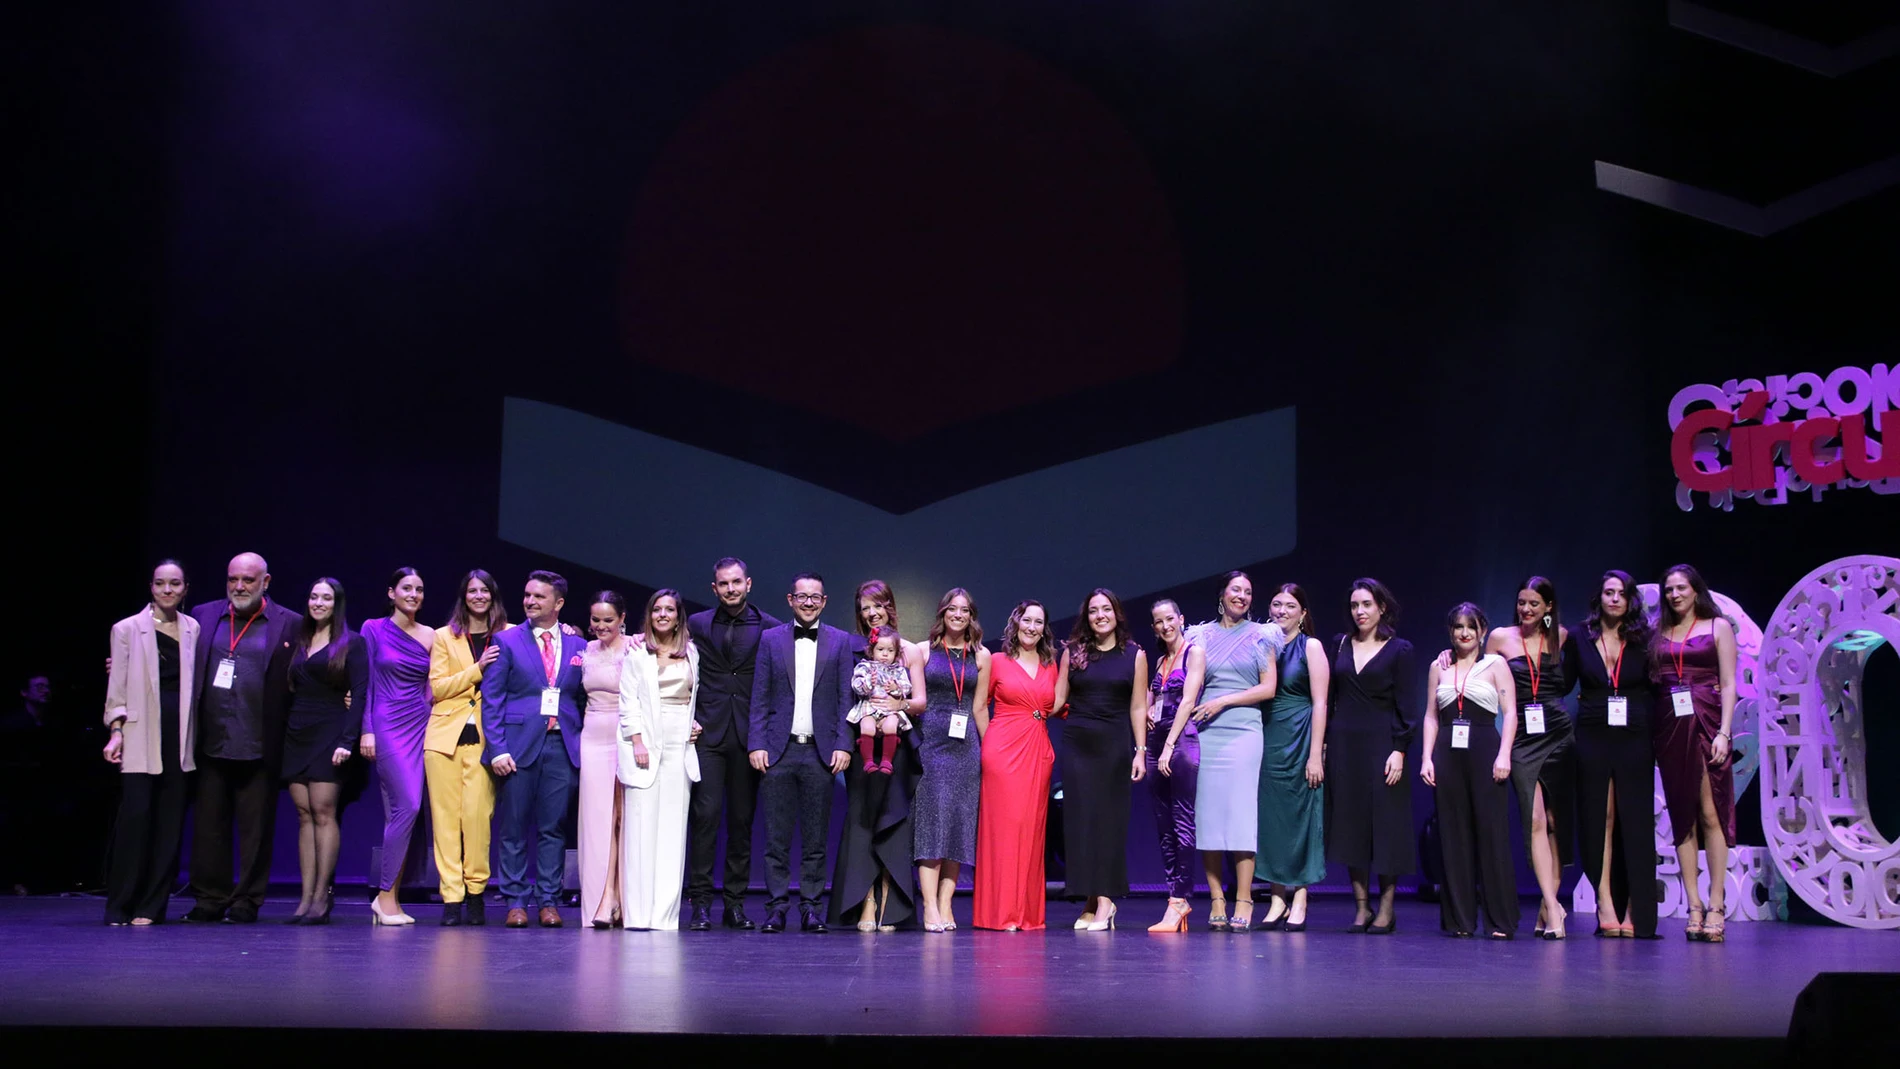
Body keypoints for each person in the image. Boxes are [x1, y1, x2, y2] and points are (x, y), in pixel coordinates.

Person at [183, 552, 302, 923]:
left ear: (265, 582)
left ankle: (247, 900)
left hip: (259, 742)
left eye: (248, 580)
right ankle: (209, 898)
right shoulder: (204, 616)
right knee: (208, 828)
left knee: (256, 832)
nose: (239, 586)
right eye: (233, 579)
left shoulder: (290, 623)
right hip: (212, 740)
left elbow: (309, 672)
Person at [748, 572, 855, 933]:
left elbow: (845, 699)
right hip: (777, 751)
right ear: (790, 600)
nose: (808, 602)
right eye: (802, 596)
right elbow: (759, 695)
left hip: (821, 753)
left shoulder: (839, 642)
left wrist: (843, 743)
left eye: (815, 597)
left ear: (824, 602)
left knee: (815, 837)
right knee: (776, 838)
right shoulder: (770, 640)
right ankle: (777, 907)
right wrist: (756, 743)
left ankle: (811, 907)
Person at [481, 570, 586, 929]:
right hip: (517, 747)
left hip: (561, 745)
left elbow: (585, 697)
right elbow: (492, 698)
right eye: (527, 595)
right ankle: (514, 900)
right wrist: (496, 748)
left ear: (558, 603)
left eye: (539, 597)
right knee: (512, 827)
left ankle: (548, 900)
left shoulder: (578, 646)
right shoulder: (506, 641)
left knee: (553, 827)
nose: (529, 601)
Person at [684, 557, 782, 931]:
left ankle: (735, 904)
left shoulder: (770, 628)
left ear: (748, 583)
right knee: (705, 818)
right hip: (707, 733)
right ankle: (701, 904)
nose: (730, 589)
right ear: (714, 588)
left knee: (741, 822)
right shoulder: (697, 624)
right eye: (723, 584)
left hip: (749, 737)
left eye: (736, 582)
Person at [101, 560, 200, 925]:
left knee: (169, 824)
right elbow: (118, 686)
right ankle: (120, 904)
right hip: (141, 733)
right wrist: (115, 731)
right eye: (161, 584)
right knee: (136, 820)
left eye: (175, 584)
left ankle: (151, 906)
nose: (168, 590)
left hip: (180, 736)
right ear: (151, 587)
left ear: (186, 588)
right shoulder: (127, 629)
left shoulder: (193, 629)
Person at [1182, 571, 1280, 932]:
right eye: (1236, 590)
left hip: (1243, 731)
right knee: (1208, 815)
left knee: (1240, 814)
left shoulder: (1263, 636)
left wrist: (1224, 700)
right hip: (1206, 731)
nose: (1242, 596)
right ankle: (1216, 898)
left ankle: (1244, 897)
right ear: (1221, 594)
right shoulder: (1199, 636)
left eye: (1248, 592)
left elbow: (1268, 687)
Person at [1564, 570, 1659, 939]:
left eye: (1621, 593)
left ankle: (1636, 904)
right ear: (1599, 597)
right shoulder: (1578, 636)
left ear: (1630, 599)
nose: (1615, 599)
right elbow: (1563, 682)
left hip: (1635, 732)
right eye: (1608, 592)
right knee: (1598, 815)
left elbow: (1656, 686)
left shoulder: (1644, 638)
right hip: (1592, 731)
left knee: (1634, 818)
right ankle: (1604, 899)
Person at [830, 580, 927, 932]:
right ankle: (864, 901)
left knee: (892, 819)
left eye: (877, 605)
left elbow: (920, 701)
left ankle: (891, 899)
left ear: (889, 605)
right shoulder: (852, 650)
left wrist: (898, 703)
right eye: (864, 607)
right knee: (863, 821)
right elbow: (845, 700)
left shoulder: (910, 651)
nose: (871, 612)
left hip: (897, 744)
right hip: (862, 746)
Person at [1325, 577, 1419, 935]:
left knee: (1387, 826)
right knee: (1351, 825)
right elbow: (1332, 698)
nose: (1360, 611)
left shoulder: (1400, 650)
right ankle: (1362, 906)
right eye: (1354, 605)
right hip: (1345, 746)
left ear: (1381, 607)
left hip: (1383, 745)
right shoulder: (1339, 645)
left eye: (1366, 604)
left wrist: (1400, 749)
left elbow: (1407, 707)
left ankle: (1387, 907)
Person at [1651, 563, 1738, 944]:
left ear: (1695, 589)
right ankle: (1694, 905)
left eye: (1681, 587)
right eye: (1668, 589)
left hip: (1708, 720)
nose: (1674, 594)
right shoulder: (1658, 632)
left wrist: (1725, 732)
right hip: (1671, 724)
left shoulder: (1718, 626)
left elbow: (1730, 682)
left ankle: (1717, 903)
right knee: (1681, 814)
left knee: (1710, 811)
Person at [1420, 602, 1518, 938]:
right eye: (1458, 627)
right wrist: (1426, 758)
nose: (1464, 633)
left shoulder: (1495, 664)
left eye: (1471, 627)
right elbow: (1431, 716)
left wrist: (1504, 755)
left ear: (1482, 632)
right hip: (1448, 751)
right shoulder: (1439, 666)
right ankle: (1459, 920)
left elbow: (1511, 713)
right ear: (1451, 632)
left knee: (1491, 834)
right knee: (1453, 834)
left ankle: (1500, 920)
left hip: (1485, 750)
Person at [1060, 589, 1148, 931]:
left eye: (1106, 609)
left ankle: (1106, 901)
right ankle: (1089, 897)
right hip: (1078, 745)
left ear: (1117, 614)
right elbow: (1055, 699)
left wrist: (1140, 751)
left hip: (1114, 745)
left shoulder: (1134, 654)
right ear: (1087, 616)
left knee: (1109, 824)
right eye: (1094, 610)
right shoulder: (1073, 653)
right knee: (1082, 823)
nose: (1100, 615)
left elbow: (1138, 706)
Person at [425, 570, 508, 926]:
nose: (478, 596)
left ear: (493, 595)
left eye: (484, 590)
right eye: (472, 591)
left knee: (477, 820)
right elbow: (438, 688)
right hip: (444, 737)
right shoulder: (444, 636)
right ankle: (451, 899)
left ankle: (476, 892)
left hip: (486, 739)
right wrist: (476, 669)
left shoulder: (509, 634)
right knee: (445, 821)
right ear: (463, 596)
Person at [281, 577, 366, 924]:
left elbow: (359, 694)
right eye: (313, 596)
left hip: (331, 732)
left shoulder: (352, 643)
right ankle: (304, 897)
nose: (318, 603)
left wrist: (347, 741)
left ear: (337, 604)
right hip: (297, 732)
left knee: (324, 811)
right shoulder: (300, 640)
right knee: (304, 815)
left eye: (326, 598)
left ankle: (321, 896)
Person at [617, 589, 703, 930]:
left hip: (679, 743)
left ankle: (665, 916)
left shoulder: (691, 653)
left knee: (672, 830)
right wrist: (637, 740)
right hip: (644, 742)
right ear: (649, 616)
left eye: (670, 610)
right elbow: (629, 702)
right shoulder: (637, 653)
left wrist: (692, 722)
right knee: (641, 827)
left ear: (678, 615)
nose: (663, 615)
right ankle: (638, 915)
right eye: (657, 610)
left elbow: (691, 698)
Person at [1496, 576, 1575, 940]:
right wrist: (1447, 657)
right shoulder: (1500, 637)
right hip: (1523, 737)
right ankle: (1552, 905)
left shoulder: (1562, 636)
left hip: (1558, 733)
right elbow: (1478, 672)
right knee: (1535, 820)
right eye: (1521, 602)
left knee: (1557, 822)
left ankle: (1548, 907)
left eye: (1533, 604)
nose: (1526, 609)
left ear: (1548, 607)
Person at [360, 568, 435, 926]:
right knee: (408, 804)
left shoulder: (431, 634)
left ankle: (390, 899)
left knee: (402, 815)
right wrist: (367, 730)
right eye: (407, 588)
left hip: (421, 723)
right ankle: (385, 897)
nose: (414, 594)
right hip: (387, 723)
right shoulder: (373, 628)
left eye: (419, 589)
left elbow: (432, 684)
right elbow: (368, 683)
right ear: (392, 592)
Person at [971, 598, 1050, 932]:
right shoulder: (997, 660)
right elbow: (979, 707)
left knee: (1031, 831)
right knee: (1003, 832)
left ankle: (1026, 914)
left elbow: (1062, 705)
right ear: (1015, 623)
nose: (1032, 627)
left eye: (1039, 622)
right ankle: (1000, 913)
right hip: (1002, 752)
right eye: (1027, 620)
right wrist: (992, 746)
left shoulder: (1052, 664)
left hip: (1037, 752)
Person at [917, 589, 992, 932]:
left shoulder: (982, 656)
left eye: (965, 610)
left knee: (959, 828)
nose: (958, 614)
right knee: (932, 825)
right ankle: (929, 906)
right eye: (952, 608)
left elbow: (979, 707)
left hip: (966, 750)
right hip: (931, 745)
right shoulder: (922, 650)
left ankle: (947, 902)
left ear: (971, 616)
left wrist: (990, 748)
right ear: (943, 612)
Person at [1256, 584, 1329, 931]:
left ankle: (1300, 896)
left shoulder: (1310, 646)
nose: (1282, 610)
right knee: (1271, 820)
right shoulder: (1262, 644)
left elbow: (1321, 702)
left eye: (1290, 605)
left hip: (1300, 735)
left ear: (1303, 613)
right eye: (1276, 604)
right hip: (1268, 735)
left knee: (1302, 815)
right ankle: (1276, 897)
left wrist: (1316, 754)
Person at [578, 591, 636, 928]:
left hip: (626, 734)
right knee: (599, 820)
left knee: (623, 819)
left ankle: (623, 899)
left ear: (622, 619)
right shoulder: (584, 650)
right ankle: (602, 898)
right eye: (596, 620)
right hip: (593, 737)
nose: (601, 626)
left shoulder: (636, 647)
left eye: (608, 620)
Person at [1146, 599, 1204, 933]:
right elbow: (1156, 700)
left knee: (1182, 822)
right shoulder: (1160, 660)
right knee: (1163, 824)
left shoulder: (1192, 653)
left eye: (1170, 619)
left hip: (1181, 743)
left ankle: (1182, 898)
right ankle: (1173, 898)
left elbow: (1188, 701)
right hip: (1158, 743)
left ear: (1181, 619)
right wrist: (1150, 713)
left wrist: (1169, 746)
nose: (1165, 625)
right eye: (1158, 621)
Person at [848, 628, 912, 774]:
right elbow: (856, 686)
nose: (885, 654)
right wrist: (869, 682)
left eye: (890, 650)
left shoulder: (898, 671)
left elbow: (907, 688)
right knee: (867, 726)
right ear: (872, 650)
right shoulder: (865, 667)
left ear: (896, 653)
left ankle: (886, 761)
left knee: (891, 725)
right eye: (880, 649)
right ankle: (868, 761)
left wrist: (896, 688)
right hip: (870, 708)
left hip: (889, 710)